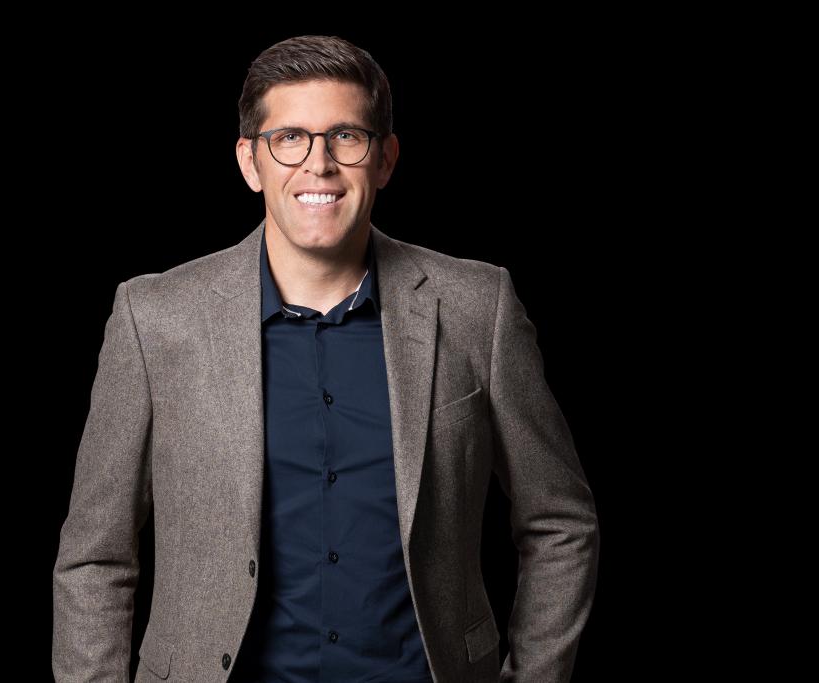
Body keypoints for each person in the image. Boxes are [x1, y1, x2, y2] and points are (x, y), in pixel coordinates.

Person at [52, 34, 599, 683]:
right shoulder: (154, 319)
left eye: (346, 137)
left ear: (385, 158)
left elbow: (559, 523)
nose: (319, 164)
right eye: (290, 138)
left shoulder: (479, 308)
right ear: (250, 162)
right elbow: (95, 558)